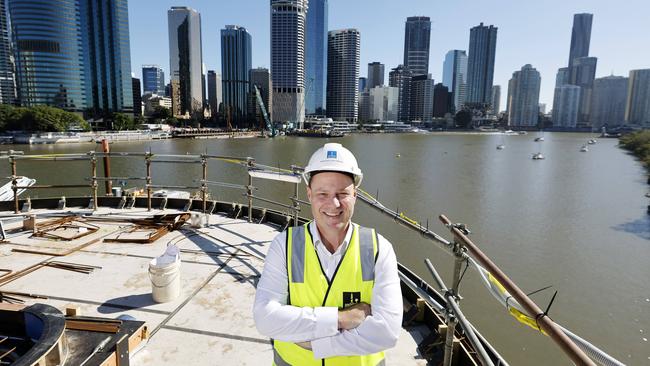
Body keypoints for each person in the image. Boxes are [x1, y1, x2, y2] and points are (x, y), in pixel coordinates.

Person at [253, 143, 402, 365]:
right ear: (309, 194)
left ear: (355, 195)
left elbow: (387, 332)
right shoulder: (285, 245)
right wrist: (341, 318)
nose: (333, 204)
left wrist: (317, 345)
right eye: (323, 194)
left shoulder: (378, 248)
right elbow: (265, 318)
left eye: (342, 193)